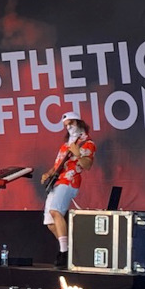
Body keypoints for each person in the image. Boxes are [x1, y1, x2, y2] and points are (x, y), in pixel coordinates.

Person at [40, 111, 96, 268]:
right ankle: (70, 249)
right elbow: (57, 166)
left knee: (55, 211)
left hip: (70, 180)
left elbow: (87, 165)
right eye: (66, 125)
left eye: (71, 123)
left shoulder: (88, 143)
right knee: (50, 222)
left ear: (79, 123)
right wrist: (48, 174)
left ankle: (63, 253)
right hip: (57, 181)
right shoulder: (65, 146)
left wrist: (78, 154)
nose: (69, 127)